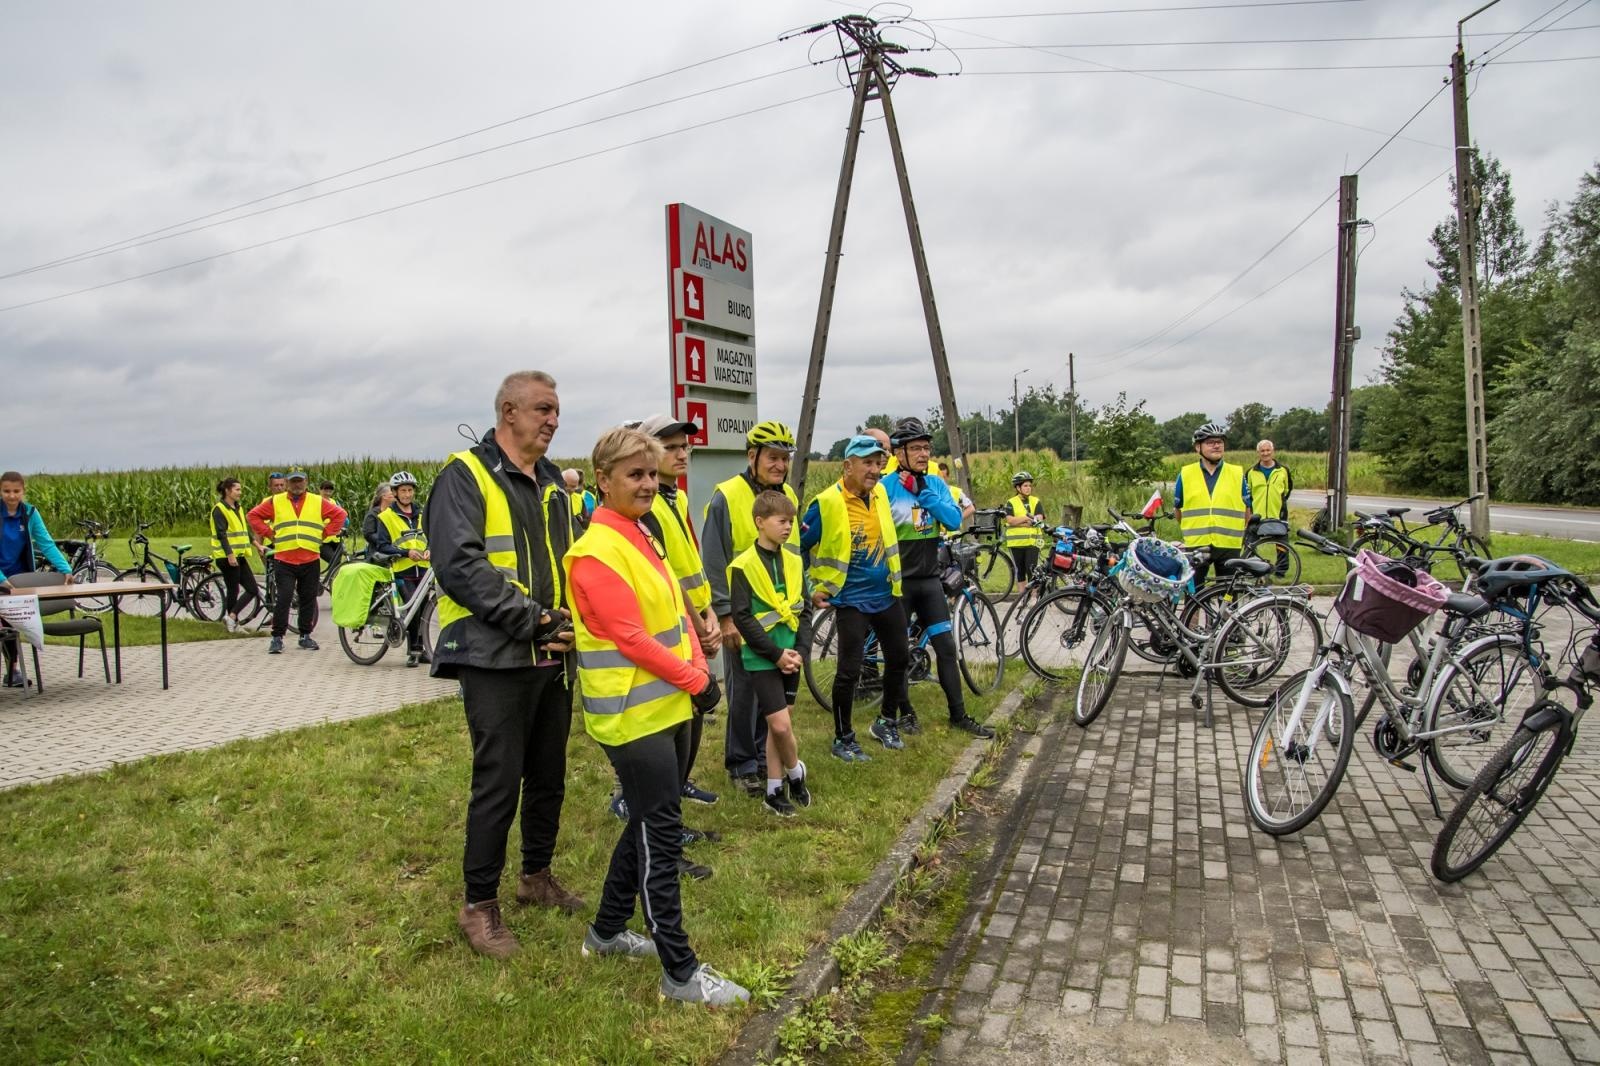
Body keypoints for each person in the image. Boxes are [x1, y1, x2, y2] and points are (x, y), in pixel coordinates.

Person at [566, 426, 749, 1006]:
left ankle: (606, 933)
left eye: (651, 473)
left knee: (646, 821)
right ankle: (680, 971)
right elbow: (631, 637)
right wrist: (698, 681)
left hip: (666, 705)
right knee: (661, 836)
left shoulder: (644, 533)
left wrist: (697, 665)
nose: (648, 484)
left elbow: (675, 613)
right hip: (630, 716)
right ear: (603, 480)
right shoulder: (595, 551)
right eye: (634, 474)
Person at [425, 370, 585, 959]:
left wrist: (572, 620)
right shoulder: (465, 476)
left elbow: (572, 557)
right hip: (494, 655)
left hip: (552, 652)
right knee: (498, 780)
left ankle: (536, 876)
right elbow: (461, 566)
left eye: (556, 410)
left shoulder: (552, 481)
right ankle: (479, 905)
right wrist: (536, 620)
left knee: (548, 774)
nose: (553, 420)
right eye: (543, 409)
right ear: (508, 411)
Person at [701, 420, 802, 796]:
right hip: (742, 618)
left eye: (784, 458)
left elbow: (792, 554)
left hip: (779, 619)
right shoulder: (726, 496)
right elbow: (714, 560)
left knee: (770, 694)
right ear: (752, 456)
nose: (780, 465)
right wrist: (725, 616)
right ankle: (742, 763)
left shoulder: (786, 496)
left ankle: (764, 758)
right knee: (743, 693)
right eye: (772, 457)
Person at [884, 418, 996, 739]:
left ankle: (958, 715)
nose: (923, 454)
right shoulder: (885, 488)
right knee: (899, 654)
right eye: (916, 448)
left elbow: (952, 520)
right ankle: (905, 714)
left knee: (946, 648)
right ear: (899, 453)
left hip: (929, 581)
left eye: (927, 448)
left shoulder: (934, 484)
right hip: (899, 584)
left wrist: (922, 492)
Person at [632, 414, 722, 808]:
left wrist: (710, 612)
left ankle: (680, 781)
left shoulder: (677, 498)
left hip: (697, 616)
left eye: (684, 447)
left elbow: (691, 561)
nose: (682, 454)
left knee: (695, 708)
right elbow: (665, 570)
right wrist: (699, 623)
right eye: (670, 448)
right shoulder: (648, 507)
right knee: (678, 709)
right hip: (676, 621)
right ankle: (649, 793)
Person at [800, 435, 909, 761]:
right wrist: (808, 589)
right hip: (850, 600)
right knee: (849, 671)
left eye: (878, 463)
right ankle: (843, 738)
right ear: (848, 466)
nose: (874, 470)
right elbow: (796, 548)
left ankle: (886, 722)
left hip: (887, 595)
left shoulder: (879, 495)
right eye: (867, 463)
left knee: (899, 659)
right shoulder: (825, 503)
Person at [728, 489, 814, 816]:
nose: (788, 527)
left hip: (792, 656)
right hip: (762, 657)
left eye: (791, 522)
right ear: (760, 522)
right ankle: (796, 773)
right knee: (778, 726)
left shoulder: (794, 561)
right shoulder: (743, 566)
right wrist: (776, 654)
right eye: (781, 521)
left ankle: (774, 791)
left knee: (781, 724)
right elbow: (743, 617)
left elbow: (803, 610)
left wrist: (800, 651)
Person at [247, 472, 345, 654]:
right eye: (293, 482)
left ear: (306, 482)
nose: (297, 485)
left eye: (300, 481)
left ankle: (305, 635)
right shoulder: (276, 501)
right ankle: (277, 637)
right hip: (284, 558)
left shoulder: (317, 501)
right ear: (287, 483)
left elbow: (340, 515)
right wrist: (269, 534)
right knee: (284, 597)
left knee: (308, 598)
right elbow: (253, 516)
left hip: (310, 558)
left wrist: (324, 534)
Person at [0, 471, 74, 687]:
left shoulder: (30, 514)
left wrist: (65, 568)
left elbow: (46, 543)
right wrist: (1, 579)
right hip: (2, 578)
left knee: (12, 623)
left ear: (23, 491)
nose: (11, 496)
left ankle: (12, 671)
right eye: (6, 491)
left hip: (20, 578)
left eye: (16, 491)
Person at [1175, 422, 1253, 586]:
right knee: (1194, 592)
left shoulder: (1237, 473)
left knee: (1228, 593)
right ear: (1198, 447)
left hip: (1229, 544)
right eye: (1210, 442)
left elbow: (1247, 510)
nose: (1216, 446)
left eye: (1220, 442)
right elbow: (1178, 511)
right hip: (1197, 543)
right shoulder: (1186, 474)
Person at [368, 471, 431, 667]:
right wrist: (405, 553)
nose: (407, 494)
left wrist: (429, 549)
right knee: (413, 608)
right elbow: (382, 545)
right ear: (395, 492)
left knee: (424, 611)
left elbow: (431, 536)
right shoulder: (386, 517)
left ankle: (422, 649)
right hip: (403, 570)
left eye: (410, 490)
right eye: (403, 491)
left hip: (423, 569)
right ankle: (414, 651)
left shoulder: (422, 514)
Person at [211, 478, 261, 632]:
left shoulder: (237, 508)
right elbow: (221, 534)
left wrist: (258, 545)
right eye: (237, 489)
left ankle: (231, 617)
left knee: (252, 589)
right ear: (227, 491)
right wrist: (230, 554)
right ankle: (233, 622)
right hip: (226, 557)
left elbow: (244, 530)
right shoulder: (219, 509)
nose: (240, 492)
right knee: (233, 590)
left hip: (239, 555)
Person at [1248, 439, 1293, 576]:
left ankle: (1280, 572)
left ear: (1273, 451)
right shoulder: (1251, 472)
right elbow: (1248, 494)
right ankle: (1252, 571)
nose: (1265, 453)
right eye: (1262, 451)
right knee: (1249, 545)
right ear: (1258, 453)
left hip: (1277, 514)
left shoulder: (1283, 470)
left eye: (1268, 450)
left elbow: (1287, 490)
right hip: (1257, 515)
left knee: (1282, 545)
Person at [1004, 471, 1045, 578]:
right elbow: (1010, 520)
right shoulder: (1010, 502)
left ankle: (1033, 590)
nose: (1028, 488)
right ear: (1018, 488)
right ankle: (1023, 590)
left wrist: (1018, 522)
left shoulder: (1036, 501)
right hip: (1016, 543)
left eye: (1030, 486)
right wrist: (1026, 518)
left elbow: (1038, 519)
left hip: (1033, 542)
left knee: (1032, 571)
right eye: (1025, 486)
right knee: (1020, 573)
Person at [360, 483, 395, 556]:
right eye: (392, 493)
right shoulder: (372, 514)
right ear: (384, 496)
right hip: (377, 553)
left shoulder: (395, 512)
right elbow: (368, 534)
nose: (395, 495)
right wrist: (384, 541)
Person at [318, 480, 344, 566]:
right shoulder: (317, 501)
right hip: (323, 539)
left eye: (330, 490)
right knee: (333, 560)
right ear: (320, 490)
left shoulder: (334, 502)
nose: (328, 492)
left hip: (336, 538)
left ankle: (333, 574)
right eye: (326, 489)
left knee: (337, 563)